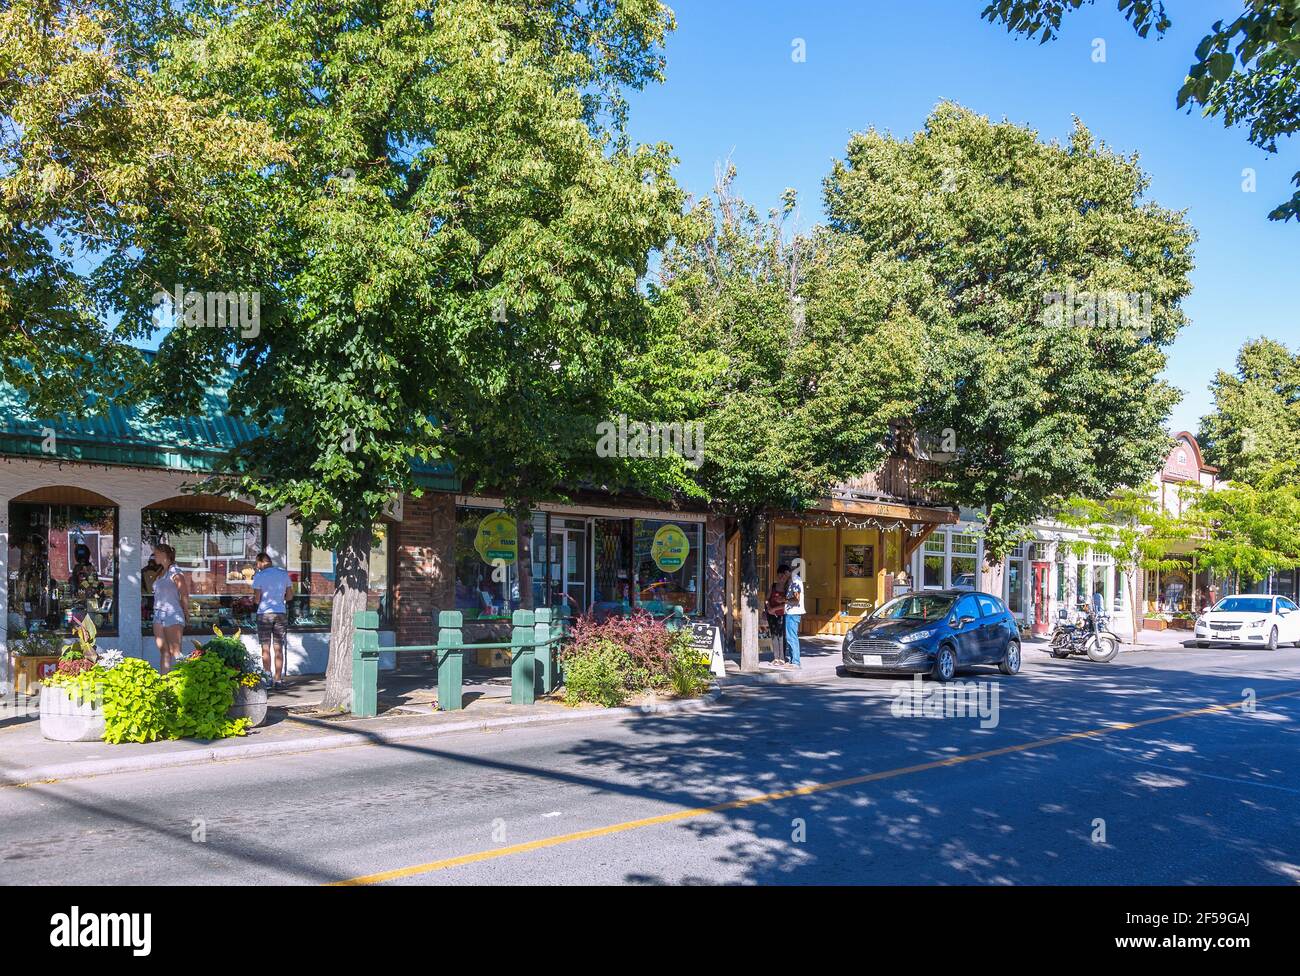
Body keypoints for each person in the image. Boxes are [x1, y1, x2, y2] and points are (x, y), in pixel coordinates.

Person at [251, 552, 293, 689]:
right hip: (280, 612)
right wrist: (279, 601)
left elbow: (257, 599)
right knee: (278, 647)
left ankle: (267, 678)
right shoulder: (283, 574)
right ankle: (278, 680)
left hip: (264, 614)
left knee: (265, 647)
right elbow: (290, 596)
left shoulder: (259, 576)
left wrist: (254, 601)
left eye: (257, 564)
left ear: (261, 562)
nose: (257, 567)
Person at [150, 544, 189, 672]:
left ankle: (182, 682)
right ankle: (164, 684)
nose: (153, 556)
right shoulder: (161, 572)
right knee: (164, 651)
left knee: (175, 651)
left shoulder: (175, 571)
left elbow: (184, 593)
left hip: (172, 614)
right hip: (158, 614)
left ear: (163, 554)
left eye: (155, 553)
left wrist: (186, 612)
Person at [766, 565, 790, 666]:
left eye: (783, 576)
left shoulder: (787, 588)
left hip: (782, 614)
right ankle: (776, 658)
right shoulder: (773, 586)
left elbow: (787, 603)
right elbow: (767, 599)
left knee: (781, 636)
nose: (781, 578)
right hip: (771, 614)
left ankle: (782, 658)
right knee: (774, 635)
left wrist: (774, 609)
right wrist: (768, 608)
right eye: (779, 576)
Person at [785, 562, 806, 668]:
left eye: (783, 575)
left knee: (792, 637)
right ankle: (793, 659)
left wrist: (785, 600)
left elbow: (796, 599)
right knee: (790, 637)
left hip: (793, 612)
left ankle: (796, 661)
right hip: (791, 612)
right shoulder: (792, 580)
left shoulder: (795, 581)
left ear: (787, 572)